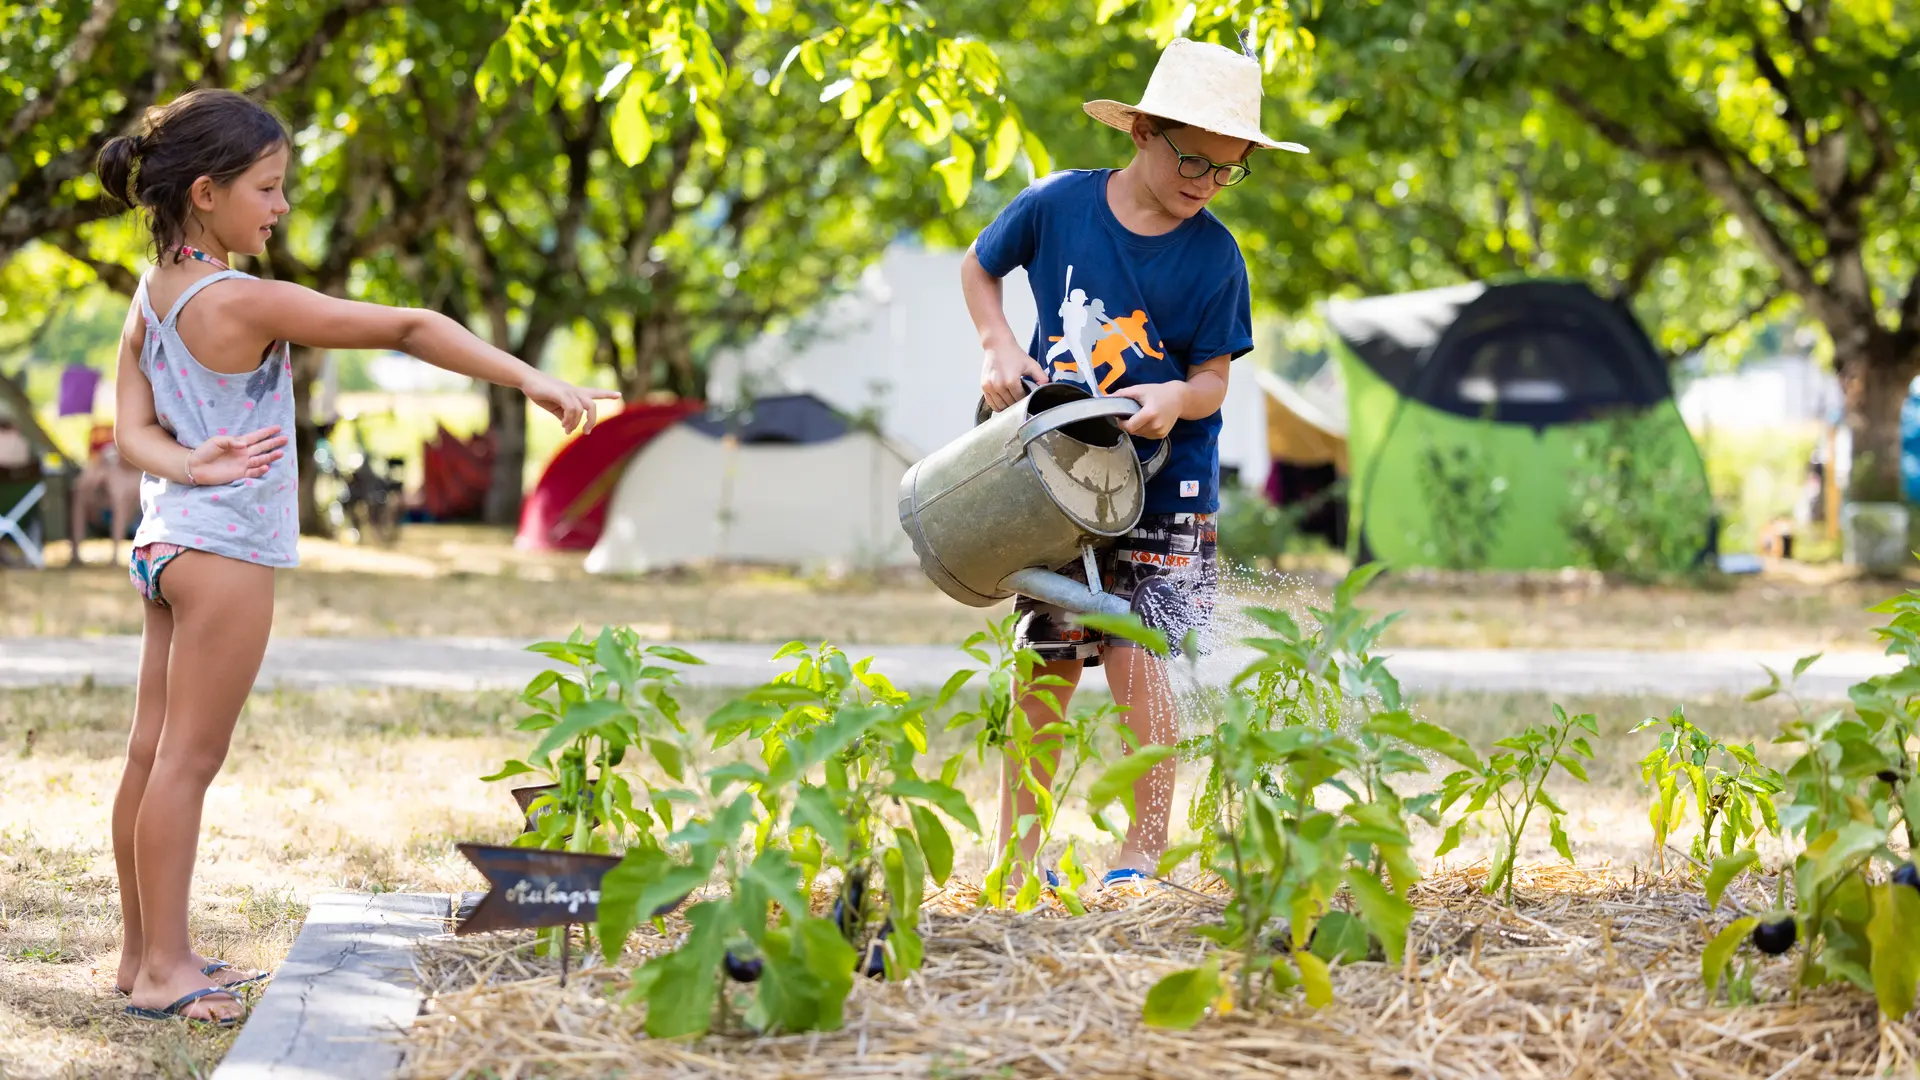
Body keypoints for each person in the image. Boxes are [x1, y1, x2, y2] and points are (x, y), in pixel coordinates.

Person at [94, 88, 616, 1024]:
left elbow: (131, 430)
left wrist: (185, 461)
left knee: (149, 751)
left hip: (165, 544)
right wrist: (532, 376)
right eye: (269, 188)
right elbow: (411, 326)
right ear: (205, 193)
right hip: (224, 557)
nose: (281, 207)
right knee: (189, 761)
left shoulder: (153, 294)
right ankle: (169, 970)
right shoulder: (243, 301)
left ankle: (140, 955)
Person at [961, 37, 1303, 889]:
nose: (1204, 183)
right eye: (1192, 159)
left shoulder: (1216, 257)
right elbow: (979, 268)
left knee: (1135, 649)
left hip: (1168, 477)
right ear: (1142, 131)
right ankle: (1019, 852)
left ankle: (1140, 855)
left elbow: (1214, 379)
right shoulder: (1058, 207)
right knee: (1046, 654)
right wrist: (997, 344)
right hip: (1060, 474)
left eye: (1228, 171)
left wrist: (1176, 402)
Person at [69, 424, 143, 566]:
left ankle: (114, 555)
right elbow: (83, 484)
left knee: (118, 491)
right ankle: (76, 553)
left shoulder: (134, 458)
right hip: (103, 501)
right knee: (83, 491)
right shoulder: (105, 461)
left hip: (127, 501)